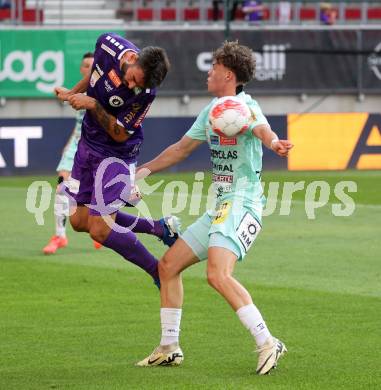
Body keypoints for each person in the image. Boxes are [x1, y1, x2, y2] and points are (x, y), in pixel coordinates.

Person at [136, 41, 293, 374]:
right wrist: (142, 172)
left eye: (214, 67)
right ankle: (168, 346)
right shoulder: (212, 112)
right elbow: (180, 149)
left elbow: (262, 128)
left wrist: (275, 142)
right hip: (222, 206)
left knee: (217, 275)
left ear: (228, 74)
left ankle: (267, 341)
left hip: (243, 203)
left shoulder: (244, 106)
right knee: (167, 266)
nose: (208, 72)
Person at [54, 32, 178, 287]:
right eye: (134, 79)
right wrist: (71, 94)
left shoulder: (146, 93)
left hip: (116, 156)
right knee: (78, 221)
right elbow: (95, 72)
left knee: (100, 228)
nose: (133, 87)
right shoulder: (107, 43)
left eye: (138, 85)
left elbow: (119, 133)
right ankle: (159, 227)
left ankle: (157, 271)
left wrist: (91, 104)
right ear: (132, 58)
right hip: (87, 145)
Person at [43, 52, 98, 255]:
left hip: (97, 148)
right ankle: (59, 235)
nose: (89, 68)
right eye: (86, 65)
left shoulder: (104, 91)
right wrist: (68, 145)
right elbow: (79, 124)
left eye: (93, 64)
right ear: (82, 70)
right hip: (76, 146)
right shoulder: (81, 90)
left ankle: (100, 228)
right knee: (61, 187)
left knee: (98, 194)